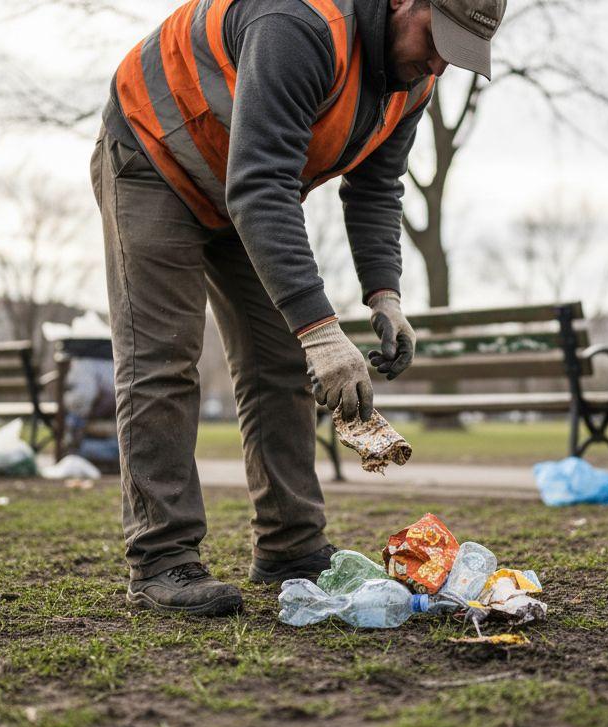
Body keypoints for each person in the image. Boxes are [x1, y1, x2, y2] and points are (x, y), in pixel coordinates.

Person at [90, 0, 506, 615]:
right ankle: (163, 559)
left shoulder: (413, 81)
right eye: (436, 37)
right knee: (162, 361)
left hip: (243, 183)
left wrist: (385, 295)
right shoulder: (304, 25)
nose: (439, 61)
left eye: (458, 52)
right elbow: (262, 184)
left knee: (281, 362)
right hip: (155, 154)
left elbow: (376, 185)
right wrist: (322, 331)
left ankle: (290, 548)